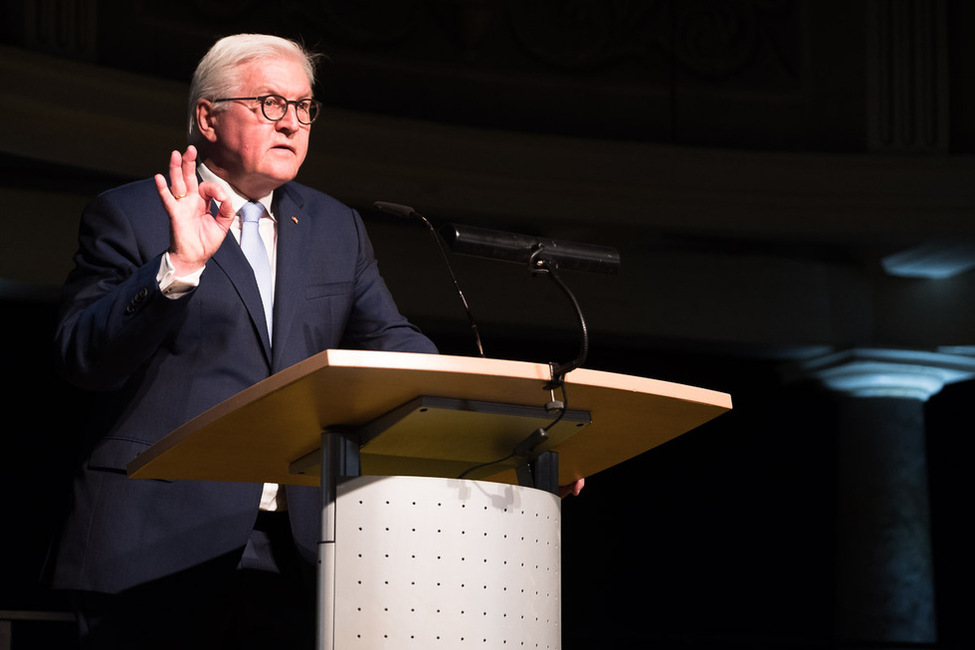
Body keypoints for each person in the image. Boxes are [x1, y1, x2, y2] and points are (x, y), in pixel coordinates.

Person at [51, 33, 438, 649]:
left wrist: (498, 422)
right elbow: (82, 357)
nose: (294, 123)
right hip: (154, 547)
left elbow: (395, 344)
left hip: (299, 554)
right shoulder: (132, 214)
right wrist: (176, 269)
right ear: (207, 117)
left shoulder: (336, 226)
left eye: (305, 107)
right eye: (271, 104)